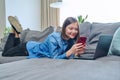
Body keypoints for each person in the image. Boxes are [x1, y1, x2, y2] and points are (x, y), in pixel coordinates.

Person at [2, 16, 85, 59]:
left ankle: (17, 34)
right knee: (6, 53)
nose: (74, 32)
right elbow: (55, 57)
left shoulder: (70, 40)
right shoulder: (53, 38)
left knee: (14, 48)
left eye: (76, 29)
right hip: (28, 49)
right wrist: (70, 52)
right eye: (71, 28)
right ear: (64, 28)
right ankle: (13, 32)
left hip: (34, 46)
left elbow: (66, 55)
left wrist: (76, 53)